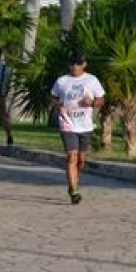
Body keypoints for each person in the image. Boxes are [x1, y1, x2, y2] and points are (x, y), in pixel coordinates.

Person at [50, 52, 105, 204]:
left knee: (81, 159)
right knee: (71, 157)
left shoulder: (92, 80)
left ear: (84, 65)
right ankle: (74, 190)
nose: (75, 66)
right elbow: (53, 97)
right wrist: (58, 105)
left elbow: (101, 100)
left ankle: (74, 181)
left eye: (78, 63)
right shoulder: (62, 81)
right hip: (67, 123)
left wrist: (92, 103)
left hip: (85, 125)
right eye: (73, 63)